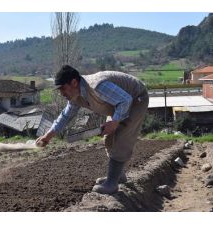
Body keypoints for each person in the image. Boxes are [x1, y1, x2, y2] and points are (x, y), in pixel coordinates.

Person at [36, 65, 149, 195]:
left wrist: (115, 122)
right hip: (118, 103)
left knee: (121, 138)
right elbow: (66, 116)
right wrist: (48, 136)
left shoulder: (98, 86)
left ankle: (112, 184)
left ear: (74, 82)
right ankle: (118, 176)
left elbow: (126, 100)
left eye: (63, 88)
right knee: (109, 138)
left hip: (136, 98)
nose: (62, 93)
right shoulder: (75, 96)